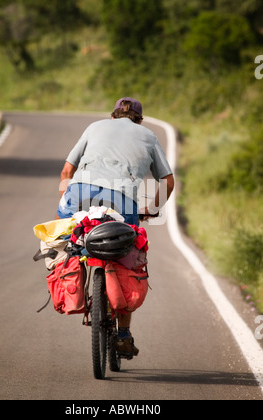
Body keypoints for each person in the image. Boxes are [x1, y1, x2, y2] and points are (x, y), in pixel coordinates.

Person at [57, 97, 174, 357]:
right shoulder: (148, 136)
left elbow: (67, 170)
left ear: (112, 117)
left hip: (79, 193)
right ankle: (123, 335)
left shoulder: (94, 127)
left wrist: (68, 204)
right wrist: (151, 210)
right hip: (122, 201)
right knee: (126, 258)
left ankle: (70, 285)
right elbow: (167, 181)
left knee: (71, 239)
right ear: (139, 120)